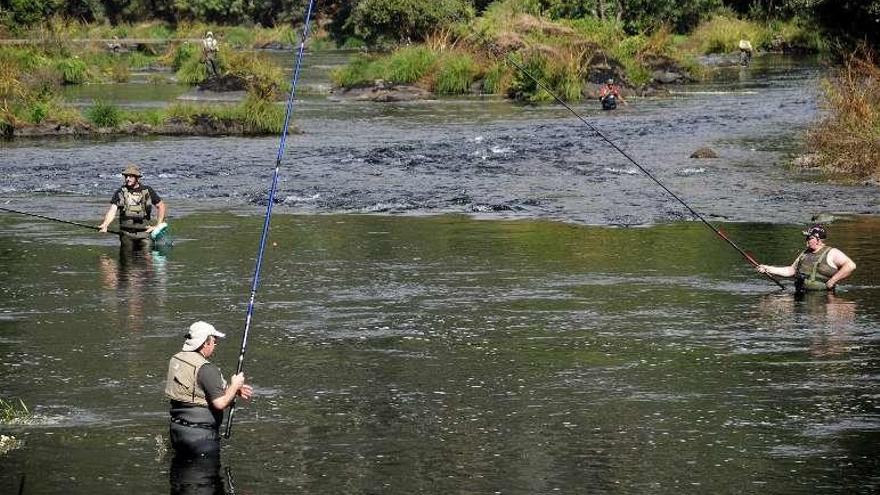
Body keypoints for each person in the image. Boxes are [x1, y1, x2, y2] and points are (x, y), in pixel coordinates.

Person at [165, 321, 253, 457]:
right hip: (201, 440)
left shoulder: (176, 359)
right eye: (214, 341)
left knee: (179, 474)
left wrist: (232, 390)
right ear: (205, 343)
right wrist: (235, 385)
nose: (215, 345)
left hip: (177, 432)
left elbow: (195, 388)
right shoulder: (206, 369)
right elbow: (220, 403)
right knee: (206, 477)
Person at [756, 225, 856, 293]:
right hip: (801, 297)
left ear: (819, 240)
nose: (806, 241)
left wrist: (833, 280)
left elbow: (850, 266)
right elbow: (791, 270)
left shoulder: (832, 252)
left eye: (809, 238)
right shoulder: (804, 254)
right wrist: (767, 268)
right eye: (807, 238)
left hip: (824, 299)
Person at [98, 164, 166, 250]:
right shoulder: (120, 192)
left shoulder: (148, 190)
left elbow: (161, 206)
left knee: (146, 259)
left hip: (145, 234)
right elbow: (112, 210)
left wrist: (158, 226)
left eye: (131, 176)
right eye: (126, 176)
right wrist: (105, 224)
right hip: (126, 234)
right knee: (127, 262)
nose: (127, 179)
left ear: (137, 178)